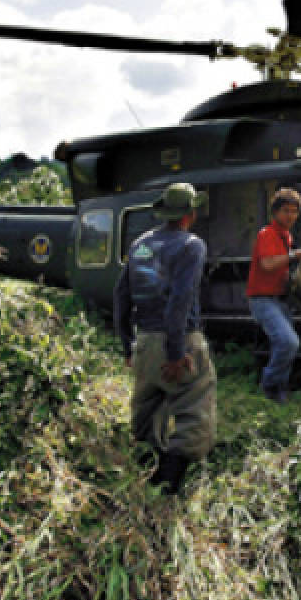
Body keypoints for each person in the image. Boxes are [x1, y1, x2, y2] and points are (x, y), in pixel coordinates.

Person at [113, 182, 216, 495]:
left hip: (143, 342)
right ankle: (167, 487)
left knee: (145, 416)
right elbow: (180, 300)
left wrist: (127, 345)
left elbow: (121, 295)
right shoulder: (191, 245)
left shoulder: (141, 244)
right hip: (180, 339)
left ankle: (139, 483)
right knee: (195, 410)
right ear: (190, 213)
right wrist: (175, 351)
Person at [246, 187, 301, 403]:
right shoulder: (267, 234)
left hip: (279, 299)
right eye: (286, 211)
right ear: (275, 212)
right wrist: (293, 256)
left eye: (294, 211)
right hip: (262, 299)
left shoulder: (286, 236)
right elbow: (268, 263)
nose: (290, 216)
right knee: (288, 342)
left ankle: (280, 389)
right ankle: (270, 385)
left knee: (283, 344)